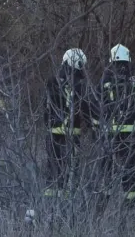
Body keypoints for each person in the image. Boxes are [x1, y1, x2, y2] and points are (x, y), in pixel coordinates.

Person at [99, 44, 135, 203]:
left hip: (108, 134)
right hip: (129, 135)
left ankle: (103, 202)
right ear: (128, 61)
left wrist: (96, 127)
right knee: (128, 168)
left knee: (106, 168)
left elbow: (96, 106)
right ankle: (129, 203)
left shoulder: (104, 84)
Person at [44, 48, 97, 198]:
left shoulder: (51, 81)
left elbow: (45, 107)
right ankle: (66, 205)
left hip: (52, 132)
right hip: (72, 134)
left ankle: (49, 205)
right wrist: (94, 127)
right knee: (71, 170)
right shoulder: (80, 84)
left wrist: (48, 124)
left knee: (52, 168)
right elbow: (86, 109)